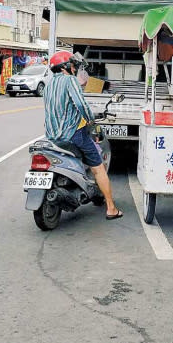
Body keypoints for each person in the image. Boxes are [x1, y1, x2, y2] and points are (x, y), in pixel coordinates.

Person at [43, 50, 123, 220]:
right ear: (66, 67)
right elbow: (81, 104)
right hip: (73, 135)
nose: (74, 68)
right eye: (72, 65)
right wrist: (90, 121)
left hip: (52, 137)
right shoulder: (69, 80)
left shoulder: (48, 84)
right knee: (98, 168)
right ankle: (111, 208)